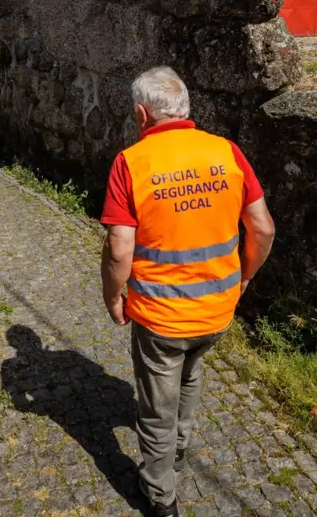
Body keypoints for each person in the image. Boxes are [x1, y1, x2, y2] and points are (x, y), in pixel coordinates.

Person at [100, 67, 276, 517]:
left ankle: (160, 496)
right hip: (217, 311)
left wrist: (113, 297)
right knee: (192, 373)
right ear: (184, 109)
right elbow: (263, 228)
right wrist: (244, 278)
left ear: (142, 114)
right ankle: (178, 449)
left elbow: (119, 248)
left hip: (161, 317)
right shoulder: (227, 152)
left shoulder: (131, 162)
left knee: (156, 406)